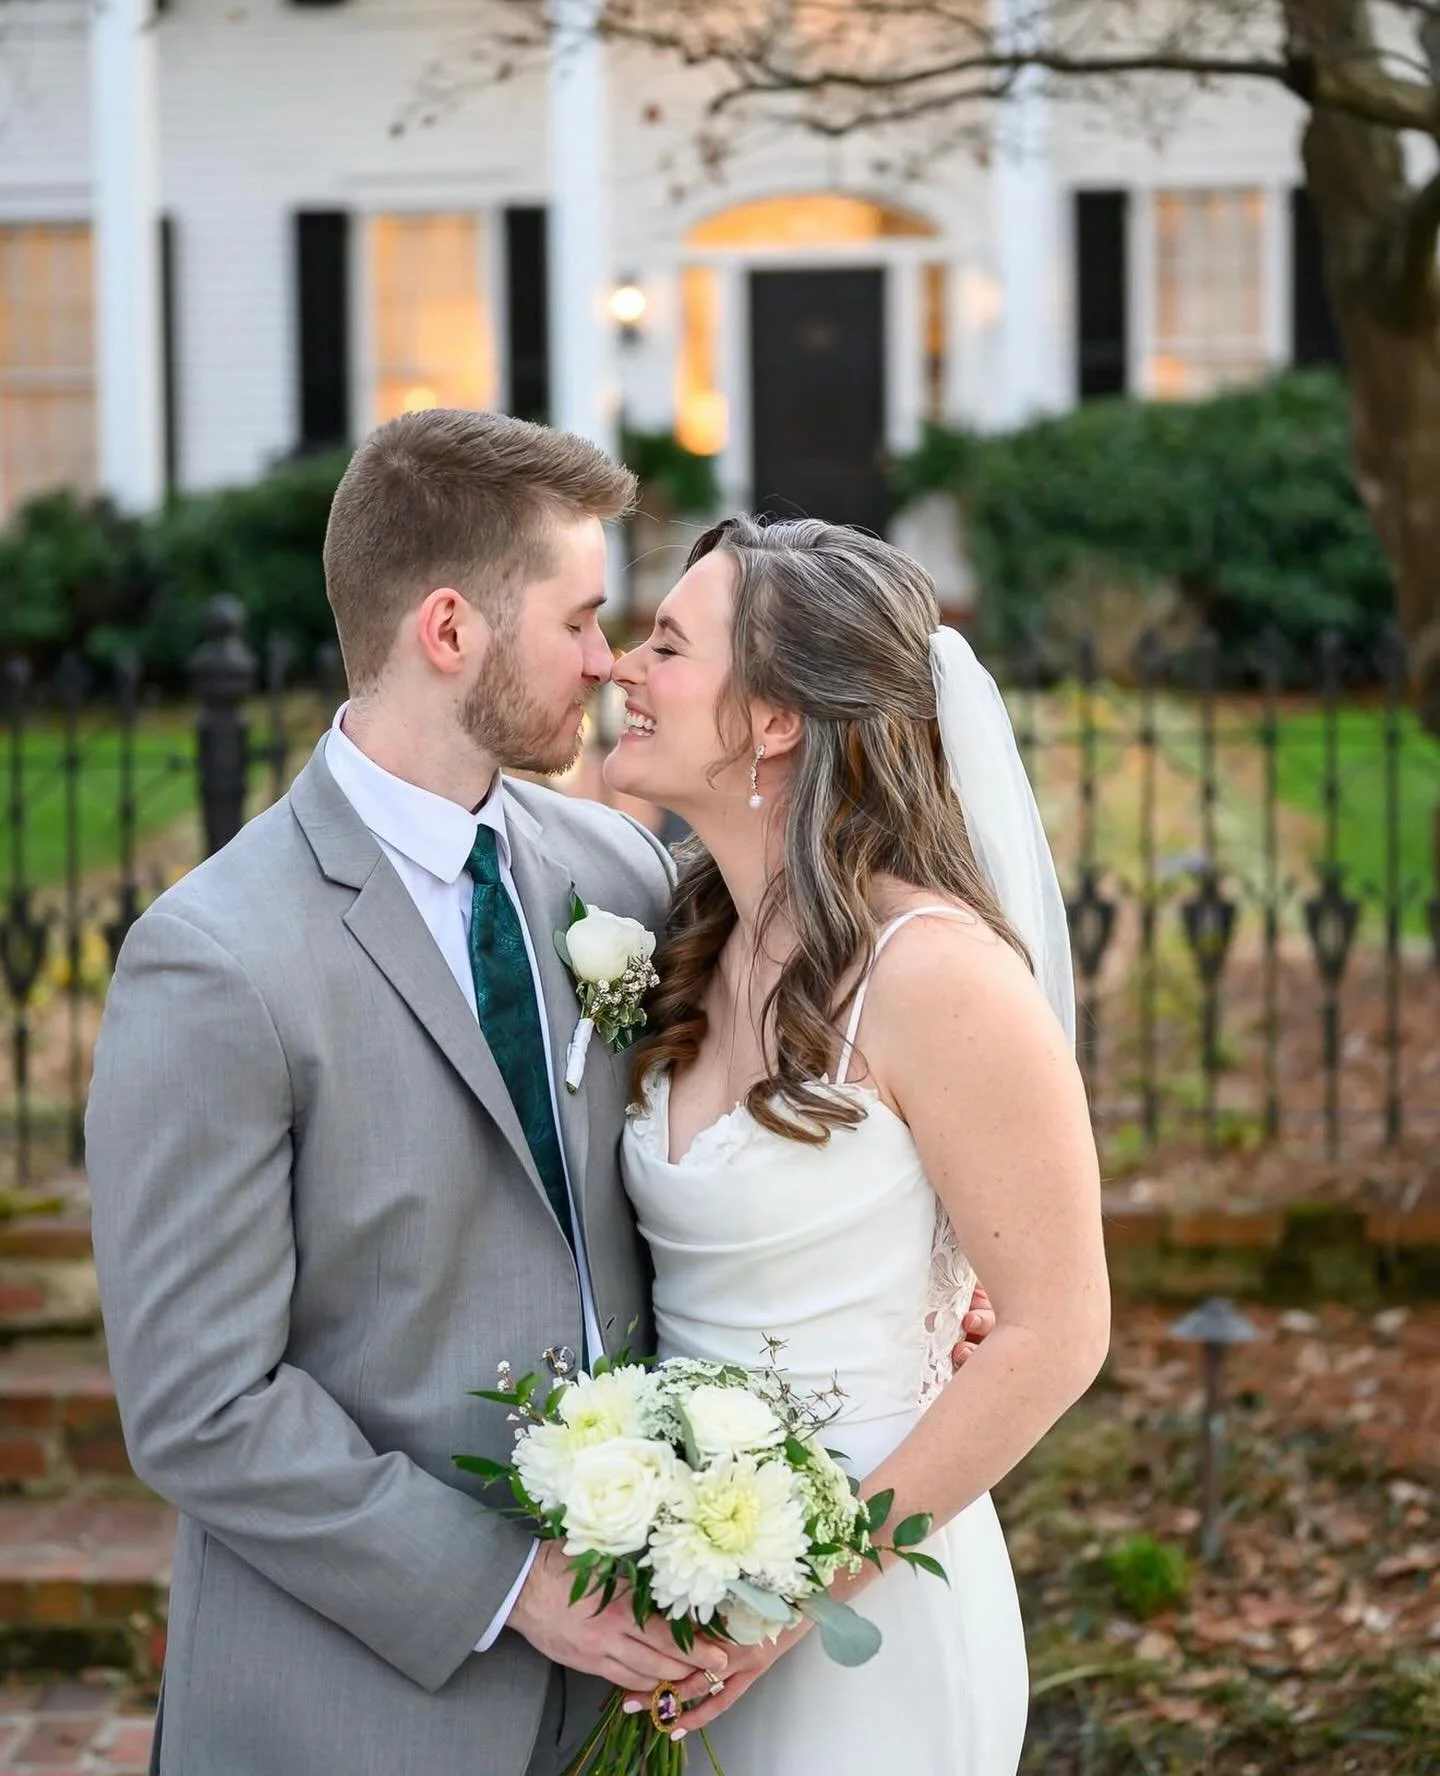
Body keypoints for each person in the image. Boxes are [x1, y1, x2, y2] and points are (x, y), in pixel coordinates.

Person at [84, 414, 996, 1776]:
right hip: (350, 1703)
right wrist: (513, 1587)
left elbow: (781, 1118)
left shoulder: (620, 880)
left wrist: (921, 1277)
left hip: (631, 1706)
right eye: (579, 619)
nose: (608, 661)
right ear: (449, 632)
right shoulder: (215, 959)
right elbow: (199, 1406)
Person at [605, 515, 1111, 1774]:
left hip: (865, 1621)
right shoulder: (684, 940)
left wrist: (797, 1596)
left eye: (667, 644)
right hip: (679, 1598)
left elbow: (1058, 1331)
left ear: (775, 719)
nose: (622, 666)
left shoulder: (935, 975)